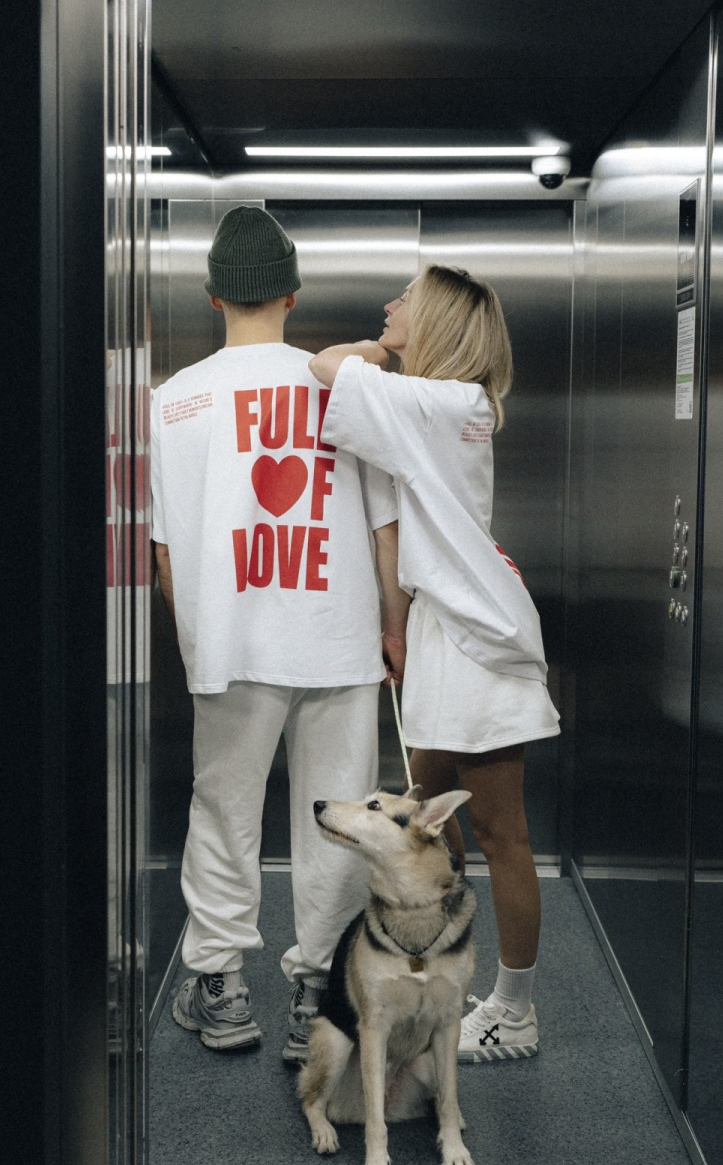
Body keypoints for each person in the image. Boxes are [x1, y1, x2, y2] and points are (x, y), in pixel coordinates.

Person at [150, 206, 402, 1061]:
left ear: (214, 296)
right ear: (293, 295)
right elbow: (383, 527)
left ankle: (221, 989)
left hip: (230, 645)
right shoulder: (342, 384)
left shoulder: (173, 401)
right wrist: (394, 629)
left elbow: (165, 552)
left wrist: (196, 642)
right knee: (341, 817)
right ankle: (317, 998)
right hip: (339, 635)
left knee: (223, 811)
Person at [308, 264, 560, 1062]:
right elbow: (395, 526)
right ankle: (439, 981)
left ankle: (513, 1012)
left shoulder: (441, 403)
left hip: (477, 641)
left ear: (441, 322)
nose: (389, 306)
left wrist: (374, 351)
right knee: (425, 814)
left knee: (499, 830)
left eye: (406, 300)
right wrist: (399, 628)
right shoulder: (442, 406)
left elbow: (324, 365)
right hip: (450, 632)